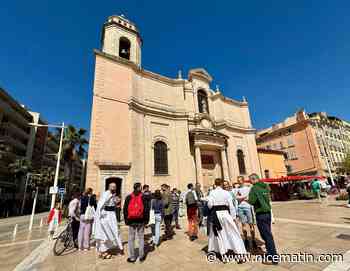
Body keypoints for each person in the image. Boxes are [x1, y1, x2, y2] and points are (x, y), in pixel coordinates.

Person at [207, 178, 247, 259]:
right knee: (233, 233)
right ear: (222, 184)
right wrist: (233, 217)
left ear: (215, 184)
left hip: (216, 215)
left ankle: (223, 254)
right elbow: (231, 206)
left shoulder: (212, 192)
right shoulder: (226, 193)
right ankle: (239, 254)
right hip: (225, 214)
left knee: (219, 234)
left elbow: (210, 205)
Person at [248, 173, 278, 265]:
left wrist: (248, 199)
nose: (250, 182)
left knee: (266, 236)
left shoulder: (254, 188)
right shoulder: (265, 186)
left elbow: (252, 201)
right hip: (268, 213)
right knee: (268, 234)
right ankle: (271, 253)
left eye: (250, 181)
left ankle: (273, 257)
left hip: (261, 213)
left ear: (253, 180)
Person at [94, 182, 123, 259]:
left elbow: (115, 203)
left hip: (112, 215)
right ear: (109, 187)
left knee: (115, 230)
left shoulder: (113, 194)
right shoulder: (106, 193)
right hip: (106, 216)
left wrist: (116, 200)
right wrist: (111, 197)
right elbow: (101, 204)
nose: (114, 188)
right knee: (104, 233)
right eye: (112, 187)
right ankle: (103, 251)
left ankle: (112, 248)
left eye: (115, 187)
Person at [123, 182, 150, 263]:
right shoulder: (144, 197)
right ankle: (141, 257)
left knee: (131, 239)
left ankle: (132, 257)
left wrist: (126, 220)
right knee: (141, 238)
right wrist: (146, 220)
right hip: (141, 221)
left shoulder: (128, 197)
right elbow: (146, 210)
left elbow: (125, 209)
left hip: (131, 221)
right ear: (139, 188)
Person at [236, 176, 257, 251]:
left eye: (240, 180)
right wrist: (244, 197)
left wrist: (241, 197)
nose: (239, 182)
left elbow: (249, 198)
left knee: (251, 224)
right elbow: (236, 197)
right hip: (240, 207)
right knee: (243, 224)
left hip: (248, 207)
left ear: (243, 181)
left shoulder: (248, 188)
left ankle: (253, 239)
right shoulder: (237, 189)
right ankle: (246, 239)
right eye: (238, 181)